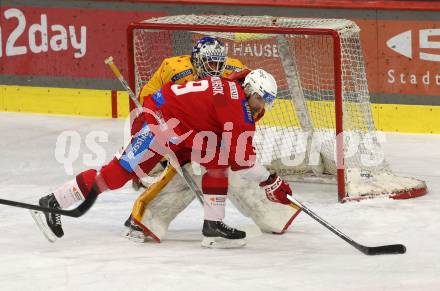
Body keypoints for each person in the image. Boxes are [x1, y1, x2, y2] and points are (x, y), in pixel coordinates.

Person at [35, 69, 294, 248]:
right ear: (250, 90)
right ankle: (53, 201)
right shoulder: (236, 108)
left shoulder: (234, 87)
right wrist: (270, 181)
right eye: (261, 99)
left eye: (267, 102)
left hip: (180, 128)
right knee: (115, 176)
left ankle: (213, 225)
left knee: (217, 159)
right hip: (158, 126)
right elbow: (244, 163)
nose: (262, 107)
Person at [122, 36, 301, 243]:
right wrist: (152, 149)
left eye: (219, 63)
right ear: (196, 61)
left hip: (216, 132)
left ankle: (273, 214)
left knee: (237, 166)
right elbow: (147, 108)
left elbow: (252, 107)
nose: (216, 68)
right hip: (178, 132)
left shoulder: (237, 71)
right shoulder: (173, 69)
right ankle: (147, 218)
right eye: (210, 63)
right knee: (192, 169)